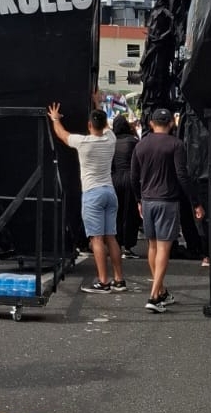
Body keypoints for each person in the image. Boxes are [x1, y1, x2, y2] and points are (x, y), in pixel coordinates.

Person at [47, 96, 126, 294]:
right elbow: (104, 124)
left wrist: (55, 118)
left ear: (89, 125)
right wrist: (97, 103)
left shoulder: (83, 142)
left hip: (92, 193)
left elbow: (62, 134)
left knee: (96, 240)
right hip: (109, 192)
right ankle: (119, 279)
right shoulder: (110, 139)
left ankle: (103, 282)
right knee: (111, 238)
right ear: (105, 124)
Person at [131, 108, 203, 312]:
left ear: (151, 123)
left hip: (147, 200)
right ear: (171, 123)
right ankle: (154, 296)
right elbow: (182, 175)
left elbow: (133, 176)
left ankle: (161, 291)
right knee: (164, 248)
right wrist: (195, 202)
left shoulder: (141, 144)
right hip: (167, 200)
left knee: (152, 246)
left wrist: (138, 200)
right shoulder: (176, 144)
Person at [111, 115, 140, 258]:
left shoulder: (111, 142)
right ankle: (128, 247)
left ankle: (116, 243)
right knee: (130, 213)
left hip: (115, 178)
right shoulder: (133, 141)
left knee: (116, 212)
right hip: (130, 178)